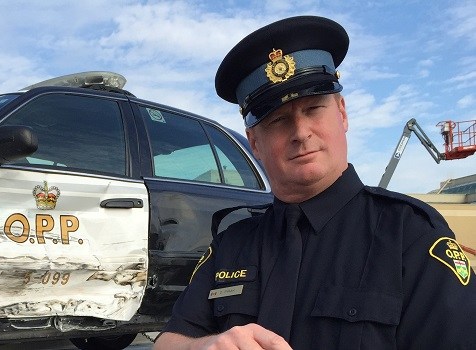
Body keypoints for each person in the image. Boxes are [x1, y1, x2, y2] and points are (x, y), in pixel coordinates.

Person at [154, 15, 476, 350]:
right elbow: (167, 341)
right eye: (278, 120)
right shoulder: (231, 245)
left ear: (343, 113)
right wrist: (203, 346)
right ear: (254, 142)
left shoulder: (409, 236)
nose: (300, 133)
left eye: (313, 109)